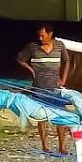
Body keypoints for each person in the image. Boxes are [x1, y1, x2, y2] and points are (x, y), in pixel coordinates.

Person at [17, 24, 70, 153]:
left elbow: (67, 61)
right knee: (41, 117)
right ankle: (45, 145)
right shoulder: (33, 47)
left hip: (55, 86)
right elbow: (20, 59)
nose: (40, 38)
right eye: (39, 35)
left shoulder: (59, 46)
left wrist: (63, 79)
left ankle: (62, 147)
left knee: (60, 115)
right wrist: (31, 71)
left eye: (43, 35)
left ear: (50, 34)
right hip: (39, 86)